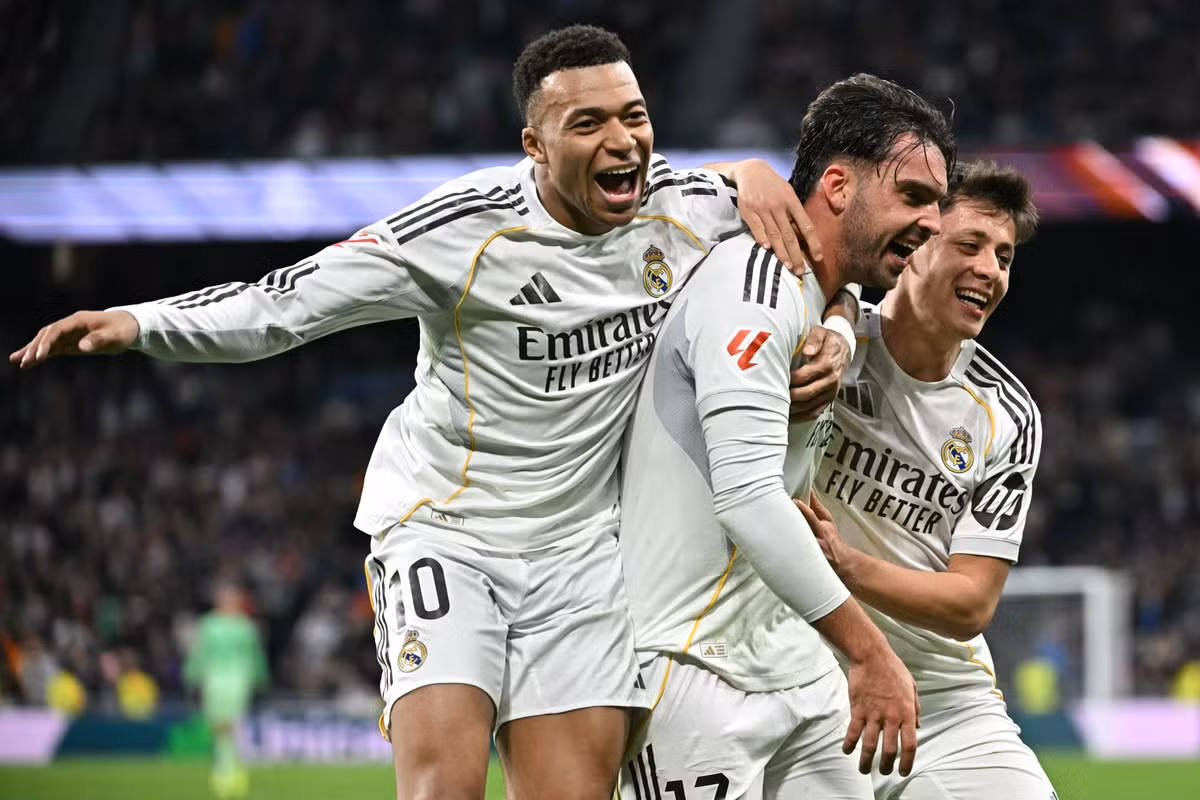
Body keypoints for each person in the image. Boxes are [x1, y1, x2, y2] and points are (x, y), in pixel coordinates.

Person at [9, 24, 850, 800]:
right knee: (445, 787)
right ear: (534, 146)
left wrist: (837, 327)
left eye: (633, 116)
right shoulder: (460, 230)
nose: (623, 140)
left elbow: (838, 259)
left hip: (585, 554)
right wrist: (140, 323)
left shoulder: (691, 207)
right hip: (451, 532)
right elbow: (286, 304)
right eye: (587, 123)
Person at [618, 73, 954, 800]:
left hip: (792, 659)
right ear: (838, 185)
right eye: (914, 196)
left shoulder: (820, 294)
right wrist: (871, 653)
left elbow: (839, 279)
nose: (932, 222)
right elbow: (747, 499)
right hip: (693, 666)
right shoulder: (752, 289)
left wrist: (841, 320)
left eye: (937, 203)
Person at [802, 160, 1058, 799]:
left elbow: (970, 604)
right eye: (969, 245)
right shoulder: (827, 340)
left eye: (1003, 257)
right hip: (802, 680)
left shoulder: (1007, 414)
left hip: (943, 700)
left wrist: (844, 563)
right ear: (914, 243)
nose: (989, 270)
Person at [184, 583, 268, 799]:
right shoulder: (214, 624)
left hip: (232, 679)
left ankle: (226, 764)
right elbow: (200, 652)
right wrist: (193, 674)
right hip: (219, 678)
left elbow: (253, 655)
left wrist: (259, 676)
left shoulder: (240, 626)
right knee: (219, 723)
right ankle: (227, 762)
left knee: (228, 722)